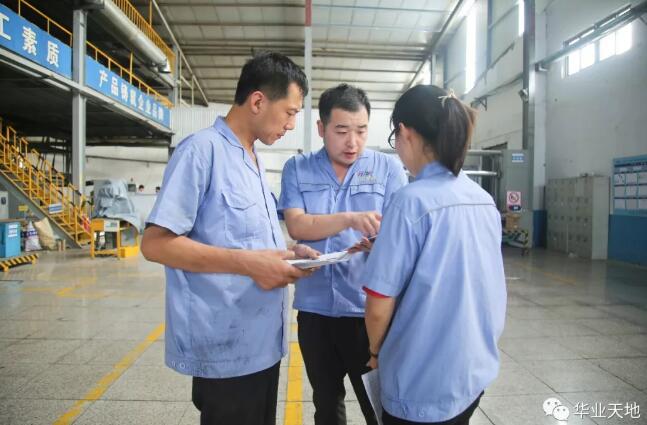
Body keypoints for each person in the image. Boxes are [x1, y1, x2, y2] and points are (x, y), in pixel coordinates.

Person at [141, 52, 319, 425]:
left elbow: (242, 238)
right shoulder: (201, 151)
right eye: (289, 112)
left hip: (261, 343)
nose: (291, 124)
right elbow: (155, 243)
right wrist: (250, 264)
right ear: (258, 101)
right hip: (225, 349)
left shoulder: (253, 159)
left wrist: (288, 254)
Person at [362, 85, 507, 425]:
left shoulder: (409, 201)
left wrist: (375, 352)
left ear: (405, 133)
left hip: (420, 383)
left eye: (395, 138)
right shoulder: (483, 200)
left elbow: (379, 303)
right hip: (472, 374)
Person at [278, 84, 408, 425]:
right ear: (321, 128)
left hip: (368, 311)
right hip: (315, 311)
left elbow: (401, 235)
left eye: (361, 131)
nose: (353, 142)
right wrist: (350, 219)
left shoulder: (388, 169)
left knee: (376, 405)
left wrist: (380, 242)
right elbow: (298, 225)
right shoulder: (298, 168)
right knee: (326, 402)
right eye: (341, 131)